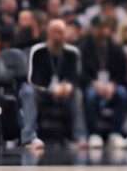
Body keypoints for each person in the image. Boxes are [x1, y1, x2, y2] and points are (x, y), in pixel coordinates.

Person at [19, 19, 87, 150]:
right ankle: (29, 138)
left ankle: (80, 137)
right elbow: (32, 78)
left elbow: (77, 77)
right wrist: (50, 89)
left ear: (65, 34)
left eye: (61, 32)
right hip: (42, 92)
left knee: (77, 93)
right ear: (48, 33)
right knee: (27, 90)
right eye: (54, 32)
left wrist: (69, 86)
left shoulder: (73, 53)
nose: (57, 36)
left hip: (64, 93)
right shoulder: (38, 50)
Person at [80, 15, 127, 149]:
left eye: (105, 28)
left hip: (111, 84)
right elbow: (80, 72)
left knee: (122, 94)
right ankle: (94, 134)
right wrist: (93, 83)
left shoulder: (115, 47)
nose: (103, 32)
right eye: (99, 28)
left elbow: (122, 71)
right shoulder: (84, 46)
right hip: (92, 83)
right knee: (90, 96)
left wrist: (112, 84)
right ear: (92, 29)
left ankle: (115, 133)